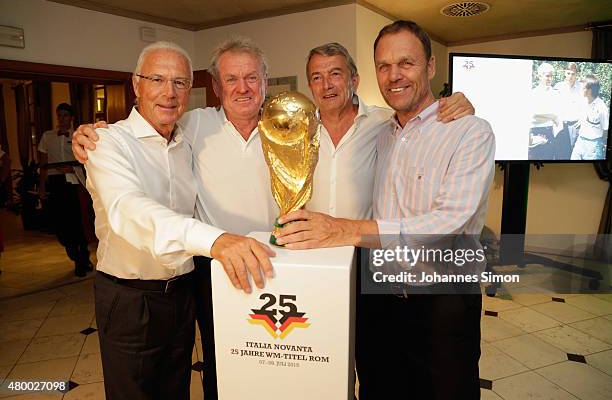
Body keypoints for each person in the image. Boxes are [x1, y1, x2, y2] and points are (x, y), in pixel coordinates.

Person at [72, 37, 474, 399]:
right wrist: (91, 132)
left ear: (266, 82)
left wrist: (456, 103)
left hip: (292, 265)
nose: (242, 88)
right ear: (216, 86)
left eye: (251, 78)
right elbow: (129, 202)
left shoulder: (292, 121)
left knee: (315, 361)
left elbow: (412, 121)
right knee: (222, 364)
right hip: (212, 270)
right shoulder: (193, 125)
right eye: (231, 79)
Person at [275, 20, 495, 399]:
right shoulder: (383, 131)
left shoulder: (469, 131)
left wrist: (343, 229)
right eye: (385, 66)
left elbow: (450, 220)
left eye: (406, 63)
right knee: (379, 386)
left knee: (446, 390)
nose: (394, 76)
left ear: (430, 67)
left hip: (440, 298)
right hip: (376, 292)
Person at [85, 41, 274, 400]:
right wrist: (216, 240)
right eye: (157, 79)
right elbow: (129, 209)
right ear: (136, 84)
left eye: (180, 83)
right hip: (131, 297)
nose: (169, 93)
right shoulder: (108, 143)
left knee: (176, 388)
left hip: (183, 292)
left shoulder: (185, 136)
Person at [38, 103, 92, 276]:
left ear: (71, 118)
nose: (62, 119)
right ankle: (73, 254)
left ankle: (82, 259)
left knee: (77, 222)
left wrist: (73, 170)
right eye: (59, 115)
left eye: (65, 115)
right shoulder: (47, 136)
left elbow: (89, 162)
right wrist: (41, 187)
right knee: (60, 223)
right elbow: (43, 165)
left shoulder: (80, 136)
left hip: (74, 182)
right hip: (55, 182)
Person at [571, 75, 609, 160]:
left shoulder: (602, 108)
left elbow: (605, 129)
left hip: (594, 145)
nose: (580, 90)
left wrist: (601, 144)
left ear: (589, 90)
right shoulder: (583, 101)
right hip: (580, 141)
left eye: (583, 88)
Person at [528, 62, 559, 160]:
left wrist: (545, 115)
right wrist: (552, 116)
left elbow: (558, 113)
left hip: (550, 131)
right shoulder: (533, 93)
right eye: (547, 76)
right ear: (540, 76)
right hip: (536, 131)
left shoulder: (555, 94)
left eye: (551, 76)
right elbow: (533, 115)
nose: (550, 79)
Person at [555, 62, 584, 157]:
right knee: (561, 155)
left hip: (576, 126)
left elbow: (588, 105)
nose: (570, 76)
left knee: (574, 155)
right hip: (561, 126)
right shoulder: (558, 87)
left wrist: (583, 118)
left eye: (573, 73)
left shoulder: (582, 87)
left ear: (577, 74)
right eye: (568, 73)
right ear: (564, 73)